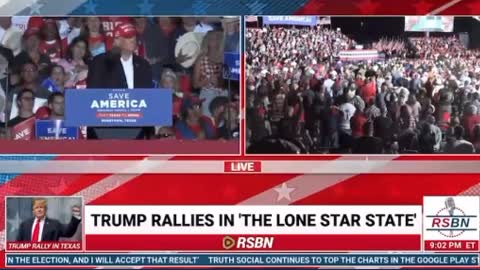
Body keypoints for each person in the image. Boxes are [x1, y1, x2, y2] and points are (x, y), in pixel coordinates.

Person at [86, 23, 153, 139]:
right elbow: (93, 95)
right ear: (116, 41)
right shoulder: (100, 62)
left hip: (136, 128)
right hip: (106, 128)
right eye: (127, 37)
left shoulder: (143, 65)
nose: (132, 40)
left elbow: (148, 97)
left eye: (134, 36)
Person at [16, 198, 81, 242]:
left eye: (41, 207)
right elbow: (17, 244)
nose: (39, 210)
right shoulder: (24, 225)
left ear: (46, 209)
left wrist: (75, 218)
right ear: (33, 211)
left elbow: (68, 232)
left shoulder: (54, 224)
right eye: (36, 207)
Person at [194, 30, 227, 117]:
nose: (214, 41)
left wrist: (219, 82)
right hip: (207, 95)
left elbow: (226, 82)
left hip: (222, 96)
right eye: (211, 39)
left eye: (216, 39)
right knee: (208, 124)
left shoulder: (223, 58)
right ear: (207, 42)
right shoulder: (201, 59)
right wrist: (207, 81)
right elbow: (195, 84)